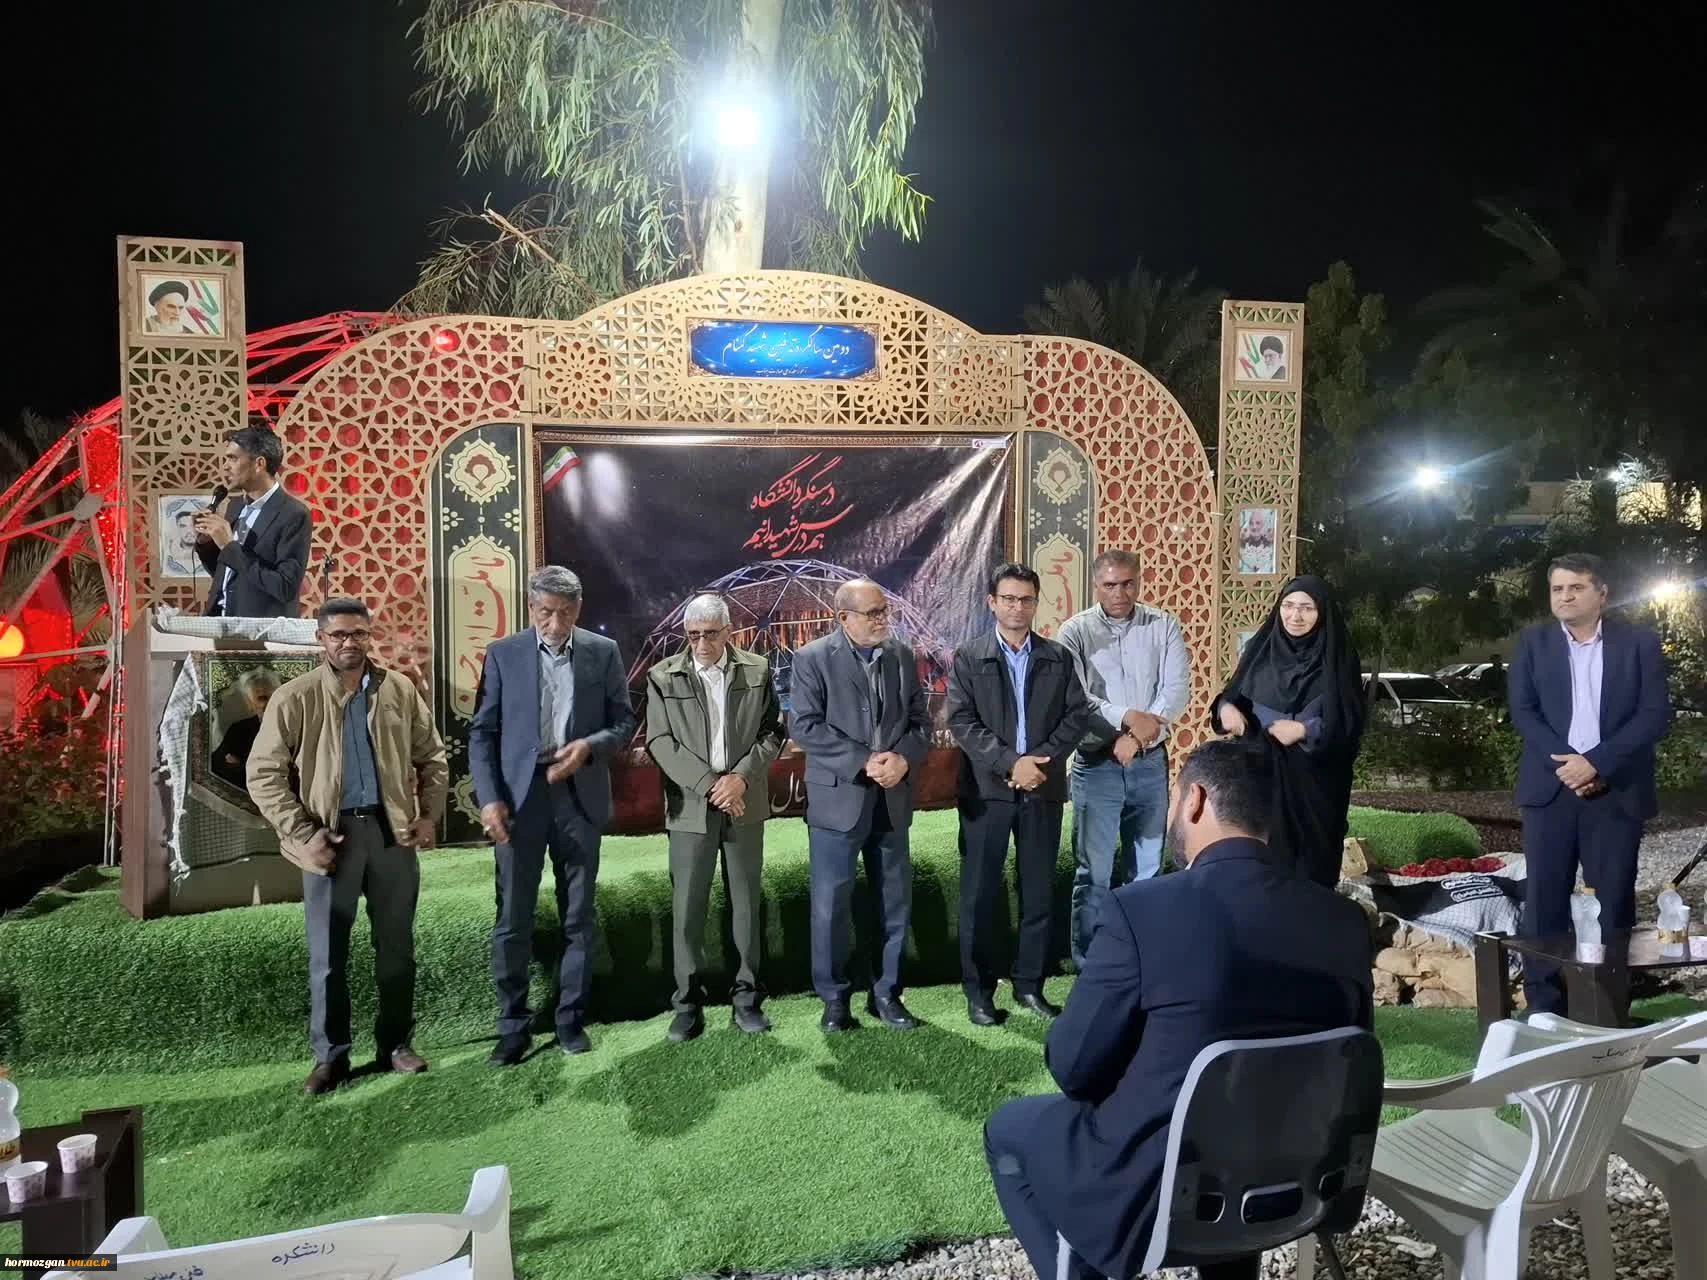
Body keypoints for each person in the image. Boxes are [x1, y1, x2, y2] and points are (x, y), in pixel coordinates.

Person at [983, 739, 1373, 1280]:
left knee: (1008, 1128)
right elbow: (1337, 1062)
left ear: (1196, 800)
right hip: (1294, 1188)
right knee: (1241, 1129)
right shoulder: (1343, 923)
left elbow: (1073, 1069)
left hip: (1154, 1201)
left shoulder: (1143, 911)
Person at [246, 599, 448, 1095]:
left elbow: (432, 757)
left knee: (397, 950)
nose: (348, 642)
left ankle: (396, 1045)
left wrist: (427, 815)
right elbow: (263, 774)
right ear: (321, 639)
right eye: (337, 634)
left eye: (357, 633)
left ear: (369, 635)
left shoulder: (399, 689)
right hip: (328, 840)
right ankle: (331, 1058)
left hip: (390, 836)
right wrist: (302, 834)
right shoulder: (294, 697)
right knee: (328, 956)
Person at [470, 565, 636, 1063]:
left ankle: (569, 1021)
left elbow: (623, 722)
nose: (556, 624)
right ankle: (512, 1027)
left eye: (565, 613)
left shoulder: (603, 652)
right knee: (513, 918)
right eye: (546, 612)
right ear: (530, 608)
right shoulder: (504, 654)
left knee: (578, 916)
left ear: (578, 609)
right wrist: (489, 798)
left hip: (577, 797)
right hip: (519, 800)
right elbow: (483, 733)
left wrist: (590, 746)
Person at [1508, 553, 1671, 1014]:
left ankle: (1606, 1006)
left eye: (1576, 588)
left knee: (1613, 902)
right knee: (1544, 901)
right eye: (1557, 589)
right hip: (1550, 790)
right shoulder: (1533, 642)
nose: (1565, 597)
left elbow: (1654, 715)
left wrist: (1596, 764)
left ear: (1602, 593)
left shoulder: (1639, 643)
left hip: (1615, 793)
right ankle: (1544, 1008)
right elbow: (1524, 711)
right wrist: (1569, 766)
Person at [946, 562, 1090, 1025]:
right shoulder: (970, 656)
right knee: (979, 895)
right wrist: (1011, 763)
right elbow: (961, 721)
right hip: (987, 792)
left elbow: (1077, 715)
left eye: (1026, 599)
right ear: (992, 602)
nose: (1017, 607)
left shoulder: (1057, 657)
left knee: (1038, 893)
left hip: (1041, 789)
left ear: (1035, 603)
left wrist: (1038, 764)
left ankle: (1030, 986)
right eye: (1008, 598)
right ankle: (979, 993)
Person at [789, 577, 931, 1032]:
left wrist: (902, 760)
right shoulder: (812, 658)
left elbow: (921, 723)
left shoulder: (901, 656)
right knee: (830, 906)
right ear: (843, 618)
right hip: (838, 800)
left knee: (894, 903)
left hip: (892, 797)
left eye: (883, 611)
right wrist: (863, 761)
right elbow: (804, 726)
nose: (881, 619)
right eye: (872, 613)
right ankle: (835, 1000)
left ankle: (887, 994)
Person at [644, 594, 786, 1041]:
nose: (701, 645)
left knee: (746, 903)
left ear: (729, 631)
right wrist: (711, 785)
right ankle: (687, 1003)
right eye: (693, 636)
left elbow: (773, 731)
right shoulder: (662, 675)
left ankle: (747, 997)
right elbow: (660, 741)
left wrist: (740, 779)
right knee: (688, 906)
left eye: (710, 634)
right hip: (691, 808)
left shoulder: (758, 670)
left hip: (744, 803)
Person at [1057, 549, 1190, 970]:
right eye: (1110, 585)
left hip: (1149, 763)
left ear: (1139, 581)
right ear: (1096, 585)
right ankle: (1091, 965)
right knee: (1092, 874)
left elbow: (1175, 690)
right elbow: (1076, 698)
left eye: (1128, 583)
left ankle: (1140, 962)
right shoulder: (1075, 631)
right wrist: (1129, 718)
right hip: (1096, 764)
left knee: (1147, 871)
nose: (1120, 593)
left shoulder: (1163, 625)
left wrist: (1135, 736)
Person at [1211, 575, 1365, 887]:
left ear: (1322, 612)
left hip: (1314, 787)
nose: (1295, 616)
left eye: (1307, 608)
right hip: (1260, 780)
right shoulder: (1260, 651)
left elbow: (1349, 723)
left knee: (1309, 871)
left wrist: (1305, 730)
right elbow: (1231, 697)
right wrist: (1225, 709)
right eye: (1289, 605)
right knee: (1257, 868)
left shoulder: (1338, 659)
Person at [194, 425, 312, 618]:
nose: (225, 466)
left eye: (233, 458)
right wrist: (207, 544)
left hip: (260, 629)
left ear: (259, 464)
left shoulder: (293, 514)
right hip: (220, 621)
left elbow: (284, 587)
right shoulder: (235, 506)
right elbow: (230, 574)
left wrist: (229, 546)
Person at [212, 666, 280, 788]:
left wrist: (242, 765)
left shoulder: (292, 727)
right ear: (250, 704)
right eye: (262, 698)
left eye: (274, 697)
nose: (269, 703)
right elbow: (217, 764)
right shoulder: (238, 729)